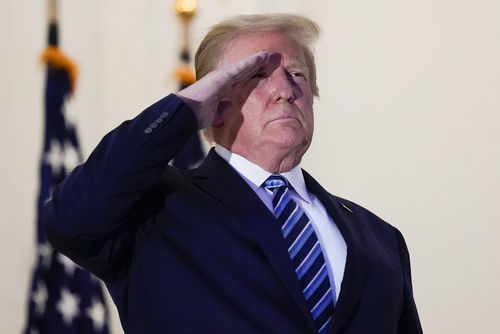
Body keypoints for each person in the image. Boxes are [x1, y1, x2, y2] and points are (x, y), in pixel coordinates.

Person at [44, 14, 423, 334]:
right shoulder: (154, 211)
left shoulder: (381, 239)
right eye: (257, 75)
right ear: (214, 101)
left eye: (297, 74)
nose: (285, 90)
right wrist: (183, 111)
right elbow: (71, 220)